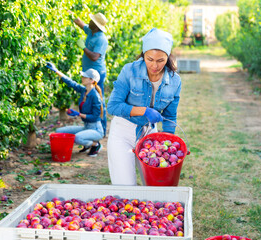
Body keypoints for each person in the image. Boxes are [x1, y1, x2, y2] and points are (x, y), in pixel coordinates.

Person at [107, 28, 182, 185]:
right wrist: (144, 111)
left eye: (160, 60)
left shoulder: (175, 81)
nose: (154, 65)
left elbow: (170, 117)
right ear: (143, 54)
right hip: (123, 130)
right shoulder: (129, 71)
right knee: (125, 185)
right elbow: (113, 106)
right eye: (150, 59)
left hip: (149, 133)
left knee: (154, 184)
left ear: (168, 57)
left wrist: (167, 146)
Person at [46, 62, 104, 157]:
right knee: (59, 132)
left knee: (77, 138)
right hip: (86, 127)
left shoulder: (95, 96)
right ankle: (87, 143)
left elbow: (94, 116)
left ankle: (96, 145)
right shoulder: (84, 90)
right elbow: (71, 83)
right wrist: (56, 71)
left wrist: (78, 114)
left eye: (85, 77)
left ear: (91, 80)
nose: (82, 78)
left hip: (96, 129)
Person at [69, 11, 108, 137]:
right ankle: (91, 126)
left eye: (91, 21)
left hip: (97, 74)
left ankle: (100, 129)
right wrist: (71, 15)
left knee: (98, 101)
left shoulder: (101, 39)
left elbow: (95, 57)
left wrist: (83, 47)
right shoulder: (91, 31)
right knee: (89, 100)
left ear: (96, 25)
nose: (89, 22)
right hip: (89, 73)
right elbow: (81, 24)